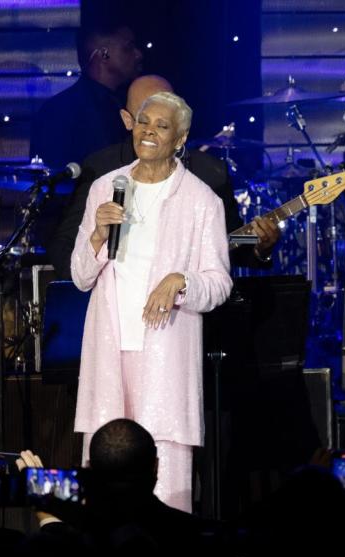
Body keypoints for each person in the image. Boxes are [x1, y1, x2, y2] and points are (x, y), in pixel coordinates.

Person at [71, 91, 233, 512]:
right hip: (111, 346)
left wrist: (181, 281)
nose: (149, 131)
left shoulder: (201, 201)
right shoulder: (107, 188)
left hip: (164, 353)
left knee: (165, 471)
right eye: (144, 122)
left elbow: (218, 284)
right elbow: (80, 276)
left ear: (180, 139)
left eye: (161, 126)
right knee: (104, 456)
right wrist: (96, 236)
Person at [48, 75, 279, 279]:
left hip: (182, 311)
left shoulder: (209, 173)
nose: (152, 129)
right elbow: (65, 248)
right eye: (144, 117)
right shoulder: (101, 170)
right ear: (128, 120)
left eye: (165, 116)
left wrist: (261, 248)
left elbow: (227, 243)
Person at [30, 22, 143, 171]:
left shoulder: (128, 101)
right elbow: (54, 179)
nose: (138, 54)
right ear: (104, 54)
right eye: (128, 47)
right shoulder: (59, 111)